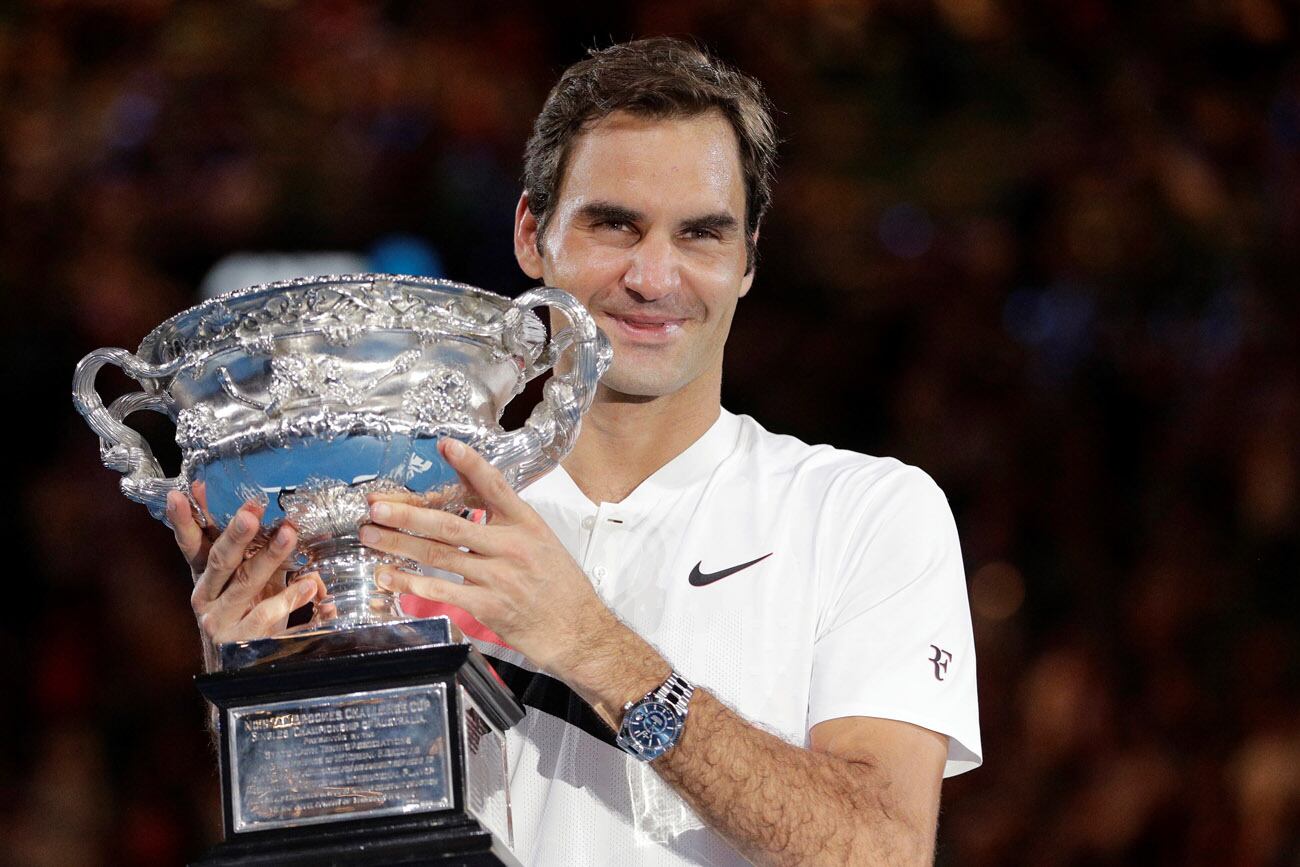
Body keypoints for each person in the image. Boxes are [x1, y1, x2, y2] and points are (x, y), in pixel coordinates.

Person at [172, 37, 981, 866]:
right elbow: (328, 836)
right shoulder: (399, 515)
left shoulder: (863, 511)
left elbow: (883, 849)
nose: (654, 276)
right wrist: (257, 693)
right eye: (614, 225)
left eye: (701, 235)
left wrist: (597, 648)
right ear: (533, 234)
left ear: (747, 260)